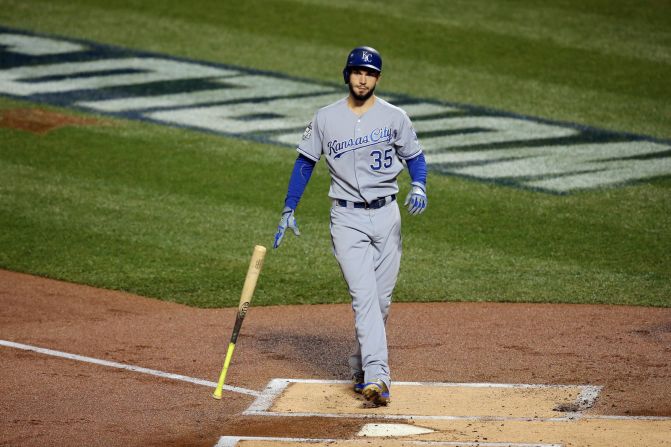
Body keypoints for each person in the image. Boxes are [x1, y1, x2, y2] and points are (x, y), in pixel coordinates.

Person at [272, 46, 428, 406]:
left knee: (381, 302)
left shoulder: (395, 117)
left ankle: (359, 367)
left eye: (370, 73)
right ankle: (379, 376)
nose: (363, 78)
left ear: (378, 79)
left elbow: (416, 158)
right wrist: (289, 207)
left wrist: (419, 184)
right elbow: (305, 161)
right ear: (347, 75)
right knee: (364, 298)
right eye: (358, 71)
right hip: (346, 220)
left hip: (388, 217)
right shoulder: (326, 118)